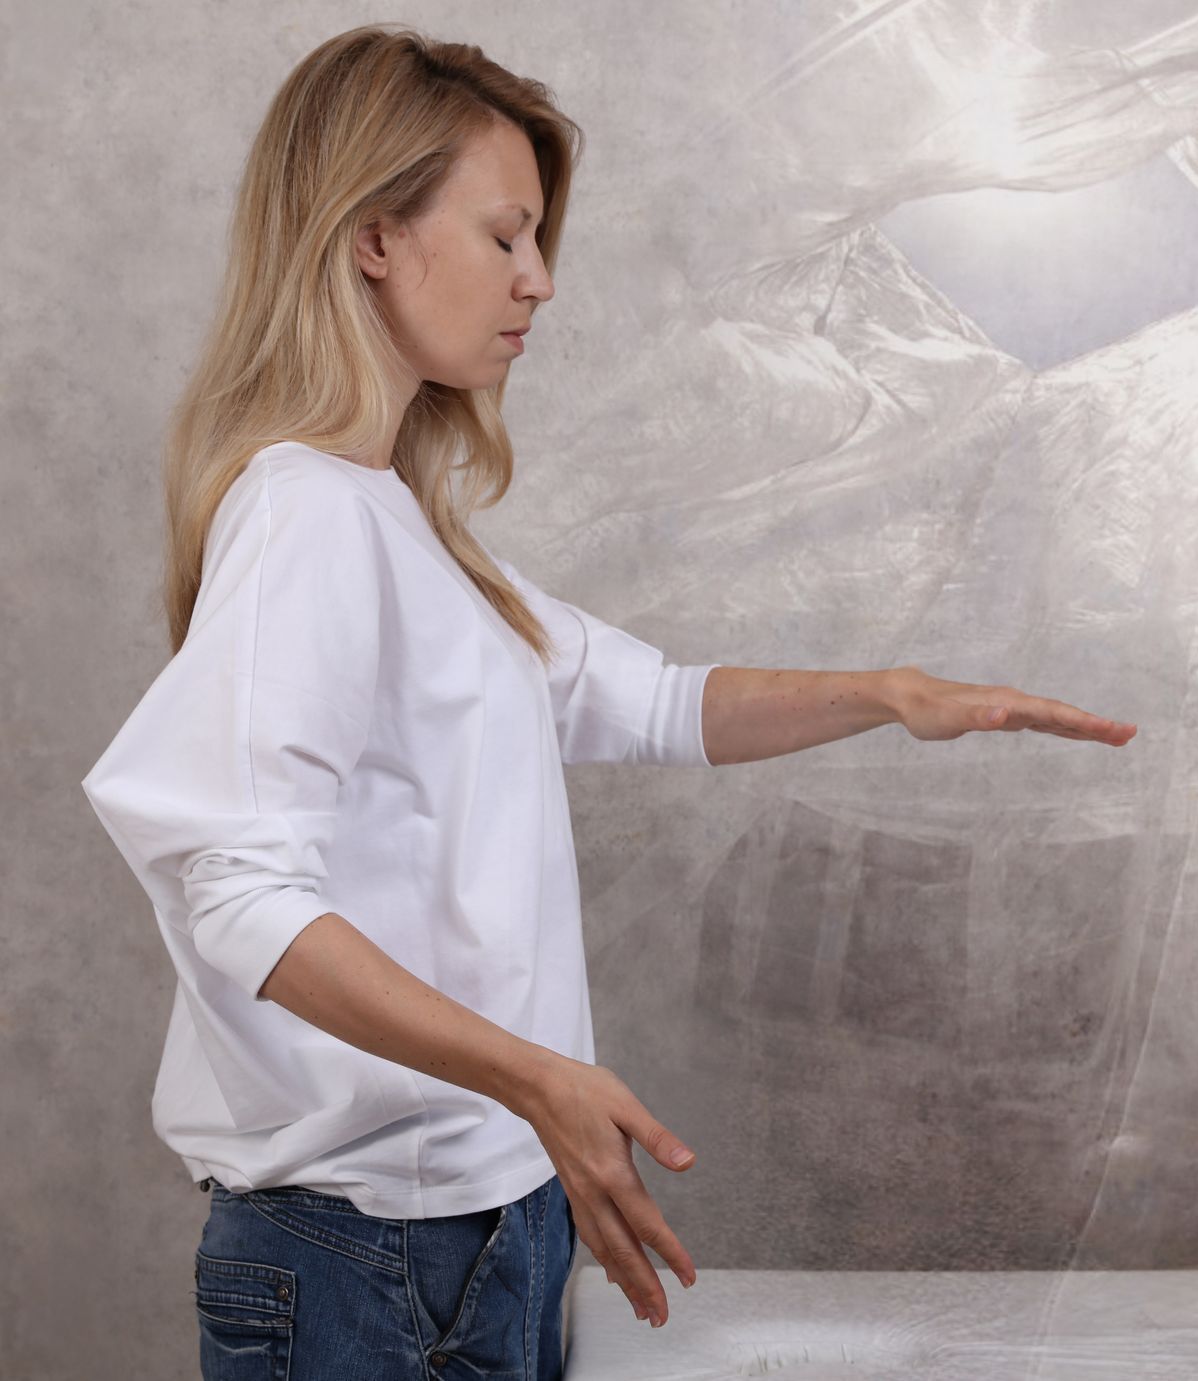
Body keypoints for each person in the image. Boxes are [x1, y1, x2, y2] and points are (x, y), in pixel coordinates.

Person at [78, 22, 1136, 1381]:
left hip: (483, 1226)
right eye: (508, 235)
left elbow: (659, 701)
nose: (542, 280)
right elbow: (231, 888)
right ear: (371, 239)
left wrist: (890, 691)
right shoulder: (304, 517)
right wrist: (535, 1076)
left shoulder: (405, 528)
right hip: (362, 1260)